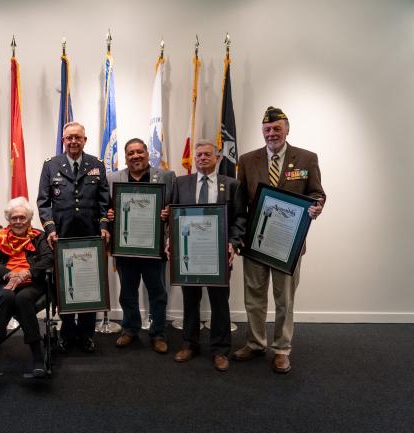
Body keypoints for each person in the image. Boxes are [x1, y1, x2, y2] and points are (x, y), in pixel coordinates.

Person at [232, 106, 326, 373]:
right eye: (267, 130)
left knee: (285, 299)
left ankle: (282, 349)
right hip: (255, 242)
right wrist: (238, 238)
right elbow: (240, 205)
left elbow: (317, 193)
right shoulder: (248, 160)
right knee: (254, 298)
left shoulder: (307, 159)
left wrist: (317, 206)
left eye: (276, 128)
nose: (271, 133)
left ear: (287, 129)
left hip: (288, 244)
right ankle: (255, 343)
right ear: (262, 132)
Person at [170, 140, 246, 371]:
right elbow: (171, 215)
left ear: (218, 158)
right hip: (188, 254)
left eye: (207, 155)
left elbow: (240, 218)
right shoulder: (181, 183)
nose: (202, 158)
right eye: (199, 155)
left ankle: (221, 350)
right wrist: (169, 240)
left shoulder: (232, 184)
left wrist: (233, 244)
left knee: (219, 303)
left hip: (219, 256)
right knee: (190, 301)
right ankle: (189, 344)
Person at [36, 121, 110, 354]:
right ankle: (67, 332)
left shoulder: (96, 165)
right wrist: (50, 229)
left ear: (85, 140)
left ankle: (87, 334)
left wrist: (104, 226)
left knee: (89, 284)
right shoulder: (51, 165)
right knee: (65, 283)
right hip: (62, 236)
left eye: (78, 137)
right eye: (69, 138)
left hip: (90, 236)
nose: (73, 141)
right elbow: (43, 201)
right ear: (63, 140)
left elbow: (103, 201)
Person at [106, 138, 176, 354]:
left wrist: (169, 212)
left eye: (139, 152)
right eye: (130, 153)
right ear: (125, 157)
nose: (135, 156)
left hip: (153, 247)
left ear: (147, 153)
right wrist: (109, 215)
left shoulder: (166, 176)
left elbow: (176, 205)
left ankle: (158, 333)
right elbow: (106, 209)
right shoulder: (112, 178)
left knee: (158, 292)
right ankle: (130, 329)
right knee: (127, 292)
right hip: (126, 247)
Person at [0, 197, 54, 378]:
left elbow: (48, 258)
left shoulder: (38, 236)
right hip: (4, 283)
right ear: (8, 220)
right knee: (7, 296)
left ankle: (37, 360)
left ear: (29, 219)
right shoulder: (0, 237)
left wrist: (27, 272)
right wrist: (8, 273)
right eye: (14, 218)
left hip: (31, 284)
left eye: (22, 218)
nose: (18, 222)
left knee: (22, 298)